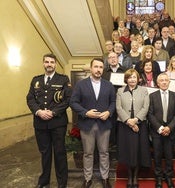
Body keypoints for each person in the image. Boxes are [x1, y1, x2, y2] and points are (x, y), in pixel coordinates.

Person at [26, 53, 72, 188]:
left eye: (52, 62)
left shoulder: (63, 79)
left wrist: (53, 112)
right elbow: (30, 99)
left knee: (59, 153)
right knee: (45, 153)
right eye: (47, 62)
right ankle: (44, 181)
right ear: (43, 63)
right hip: (40, 123)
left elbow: (68, 99)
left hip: (57, 123)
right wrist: (39, 111)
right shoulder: (36, 80)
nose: (49, 64)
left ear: (56, 64)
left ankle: (62, 182)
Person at [70, 58, 116, 188]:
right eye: (96, 67)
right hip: (87, 124)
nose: (98, 69)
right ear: (91, 68)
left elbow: (113, 102)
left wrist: (108, 112)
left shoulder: (109, 85)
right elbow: (73, 102)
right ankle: (87, 178)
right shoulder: (81, 84)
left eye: (101, 67)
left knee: (104, 152)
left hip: (104, 124)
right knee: (88, 153)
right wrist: (85, 112)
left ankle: (105, 178)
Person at [116, 69, 151, 188]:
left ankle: (135, 176)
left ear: (138, 79)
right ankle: (129, 176)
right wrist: (128, 121)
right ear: (126, 79)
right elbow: (118, 108)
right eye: (130, 77)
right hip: (124, 125)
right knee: (127, 151)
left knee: (138, 151)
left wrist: (135, 120)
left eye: (134, 77)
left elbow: (145, 107)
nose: (132, 79)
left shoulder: (144, 90)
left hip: (140, 125)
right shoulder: (120, 91)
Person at [148, 73, 175, 188]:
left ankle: (168, 177)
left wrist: (169, 128)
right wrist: (160, 128)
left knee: (169, 155)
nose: (163, 82)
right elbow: (150, 114)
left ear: (169, 82)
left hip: (170, 131)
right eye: (161, 80)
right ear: (157, 83)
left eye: (166, 80)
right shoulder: (152, 96)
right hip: (157, 131)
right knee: (157, 155)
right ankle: (158, 178)